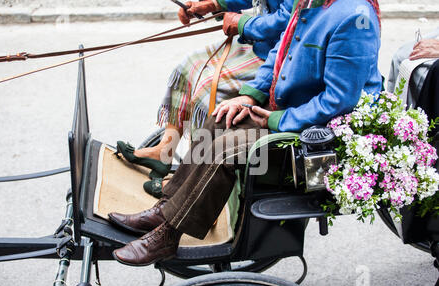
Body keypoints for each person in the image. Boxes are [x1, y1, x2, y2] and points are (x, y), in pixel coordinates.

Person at [109, 0, 383, 266]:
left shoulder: (354, 17)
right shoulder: (311, 2)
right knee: (221, 118)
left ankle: (168, 235)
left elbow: (339, 101)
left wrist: (277, 120)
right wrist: (249, 97)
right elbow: (280, 53)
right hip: (291, 111)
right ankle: (166, 209)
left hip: (318, 139)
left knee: (226, 150)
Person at [115, 0, 295, 195]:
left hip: (279, 58)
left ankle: (192, 180)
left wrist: (243, 23)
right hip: (259, 43)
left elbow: (287, 20)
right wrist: (213, 4)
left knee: (207, 89)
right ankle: (164, 151)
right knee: (188, 65)